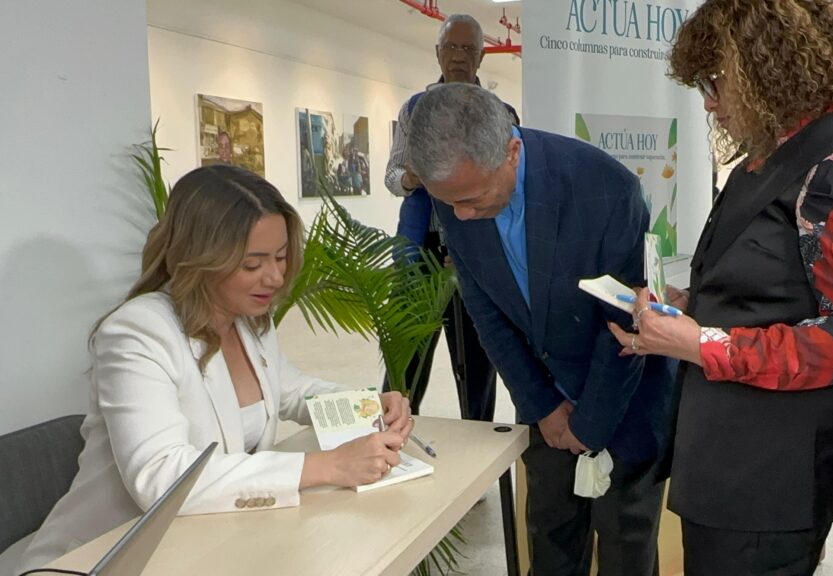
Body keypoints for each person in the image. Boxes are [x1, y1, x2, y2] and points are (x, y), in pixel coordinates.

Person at [609, 1, 833, 574]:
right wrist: (691, 308)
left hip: (774, 479)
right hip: (725, 458)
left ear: (765, 69)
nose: (709, 102)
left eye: (715, 81)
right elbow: (766, 287)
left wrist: (701, 344)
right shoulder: (770, 155)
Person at [17, 165, 413, 572]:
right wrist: (328, 466)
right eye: (252, 264)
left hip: (202, 546)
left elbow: (291, 390)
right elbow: (162, 477)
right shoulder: (138, 332)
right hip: (104, 558)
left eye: (280, 257)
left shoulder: (247, 321)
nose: (275, 277)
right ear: (200, 259)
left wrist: (367, 406)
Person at [407, 82, 675, 576]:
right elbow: (487, 314)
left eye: (472, 199)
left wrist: (587, 426)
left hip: (623, 398)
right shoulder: (455, 189)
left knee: (626, 551)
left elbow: (624, 320)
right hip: (545, 401)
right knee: (551, 546)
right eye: (449, 203)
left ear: (511, 152)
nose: (461, 215)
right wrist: (544, 408)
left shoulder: (605, 188)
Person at [383, 14, 519, 421]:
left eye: (468, 48)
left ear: (482, 55)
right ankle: (391, 440)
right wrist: (411, 176)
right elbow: (392, 176)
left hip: (477, 249)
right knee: (404, 364)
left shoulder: (501, 113)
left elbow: (510, 186)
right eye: (451, 47)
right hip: (419, 251)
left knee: (478, 365)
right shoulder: (415, 109)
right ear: (438, 52)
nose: (458, 56)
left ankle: (478, 448)